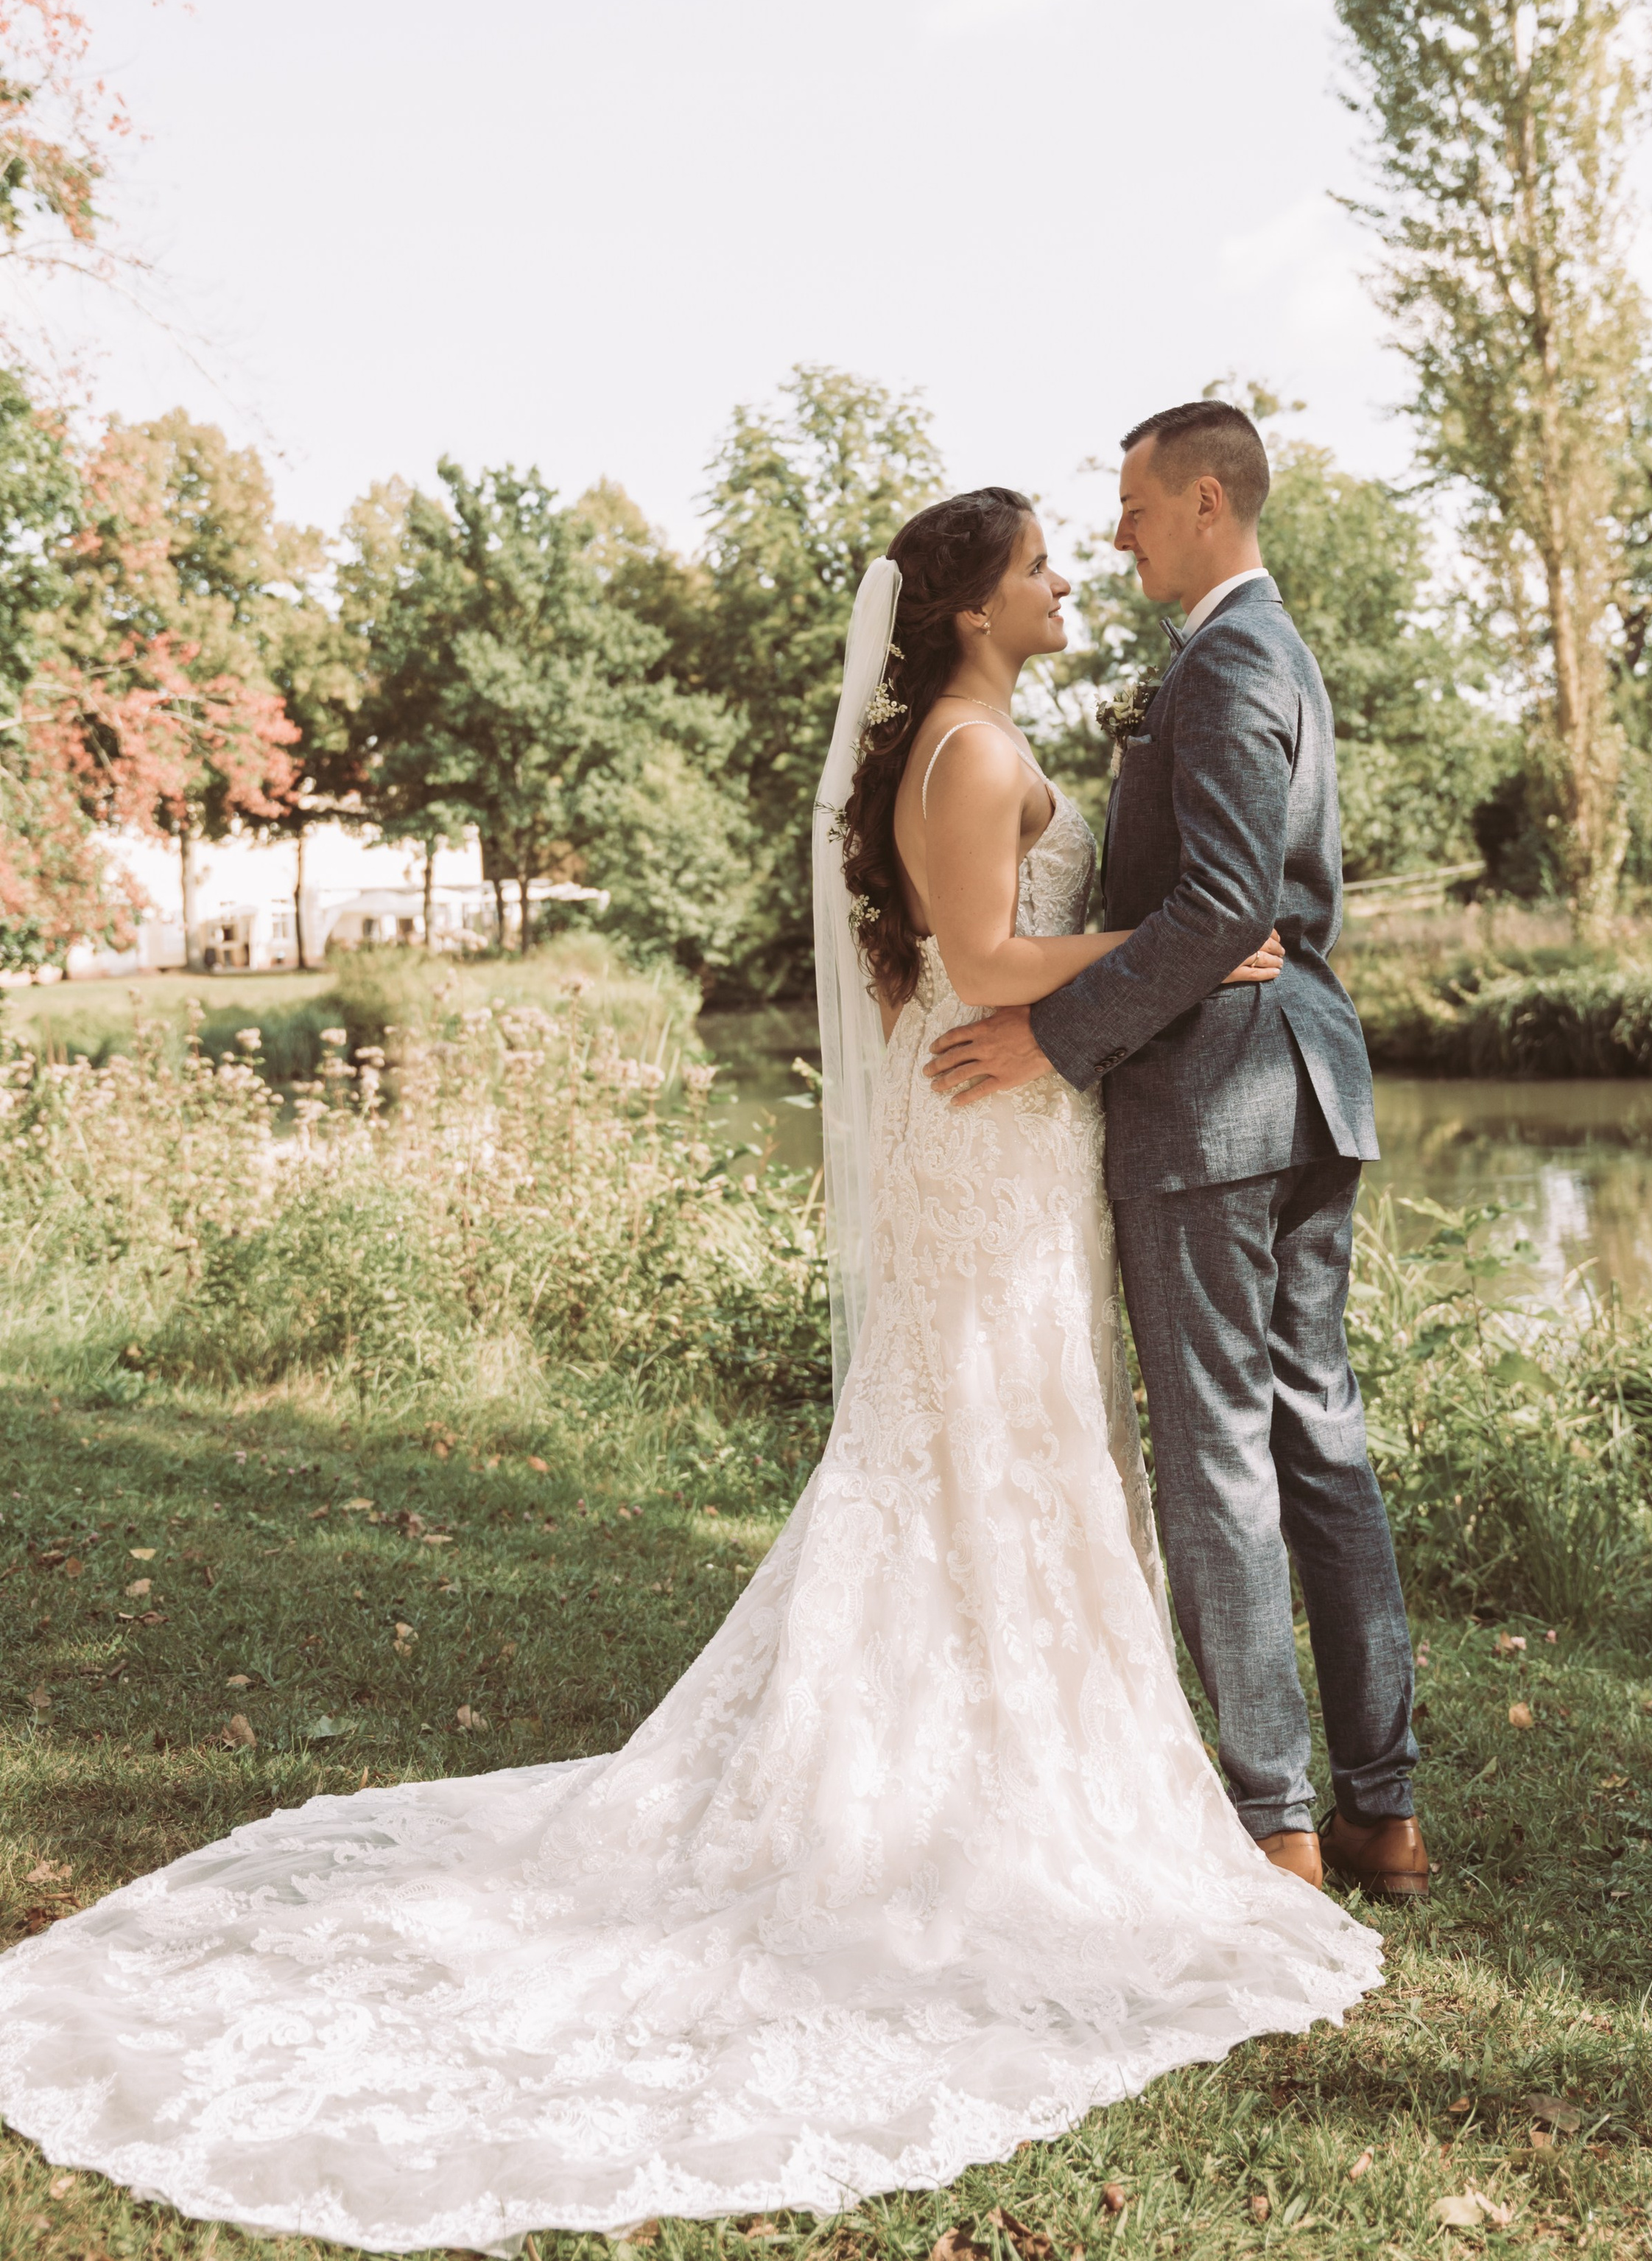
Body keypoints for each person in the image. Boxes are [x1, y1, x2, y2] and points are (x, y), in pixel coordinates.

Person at [0, 483, 1381, 2257]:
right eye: (1041, 563)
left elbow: (952, 966)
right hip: (993, 1129)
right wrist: (1152, 954)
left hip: (1002, 1130)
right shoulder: (969, 751)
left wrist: (1082, 996)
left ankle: (1038, 1738)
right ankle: (986, 1766)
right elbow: (978, 959)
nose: (1067, 579)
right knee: (983, 1434)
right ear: (971, 608)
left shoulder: (963, 735)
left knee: (1002, 1438)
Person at [924, 405, 1427, 1903]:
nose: (1117, 532)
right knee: (1316, 1433)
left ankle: (1277, 1820)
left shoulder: (1224, 661)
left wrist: (1054, 1036)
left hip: (1216, 1103)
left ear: (1207, 502)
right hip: (1304, 1083)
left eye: (1136, 505)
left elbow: (1220, 905)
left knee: (1218, 1453)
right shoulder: (1265, 649)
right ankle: (1383, 1812)